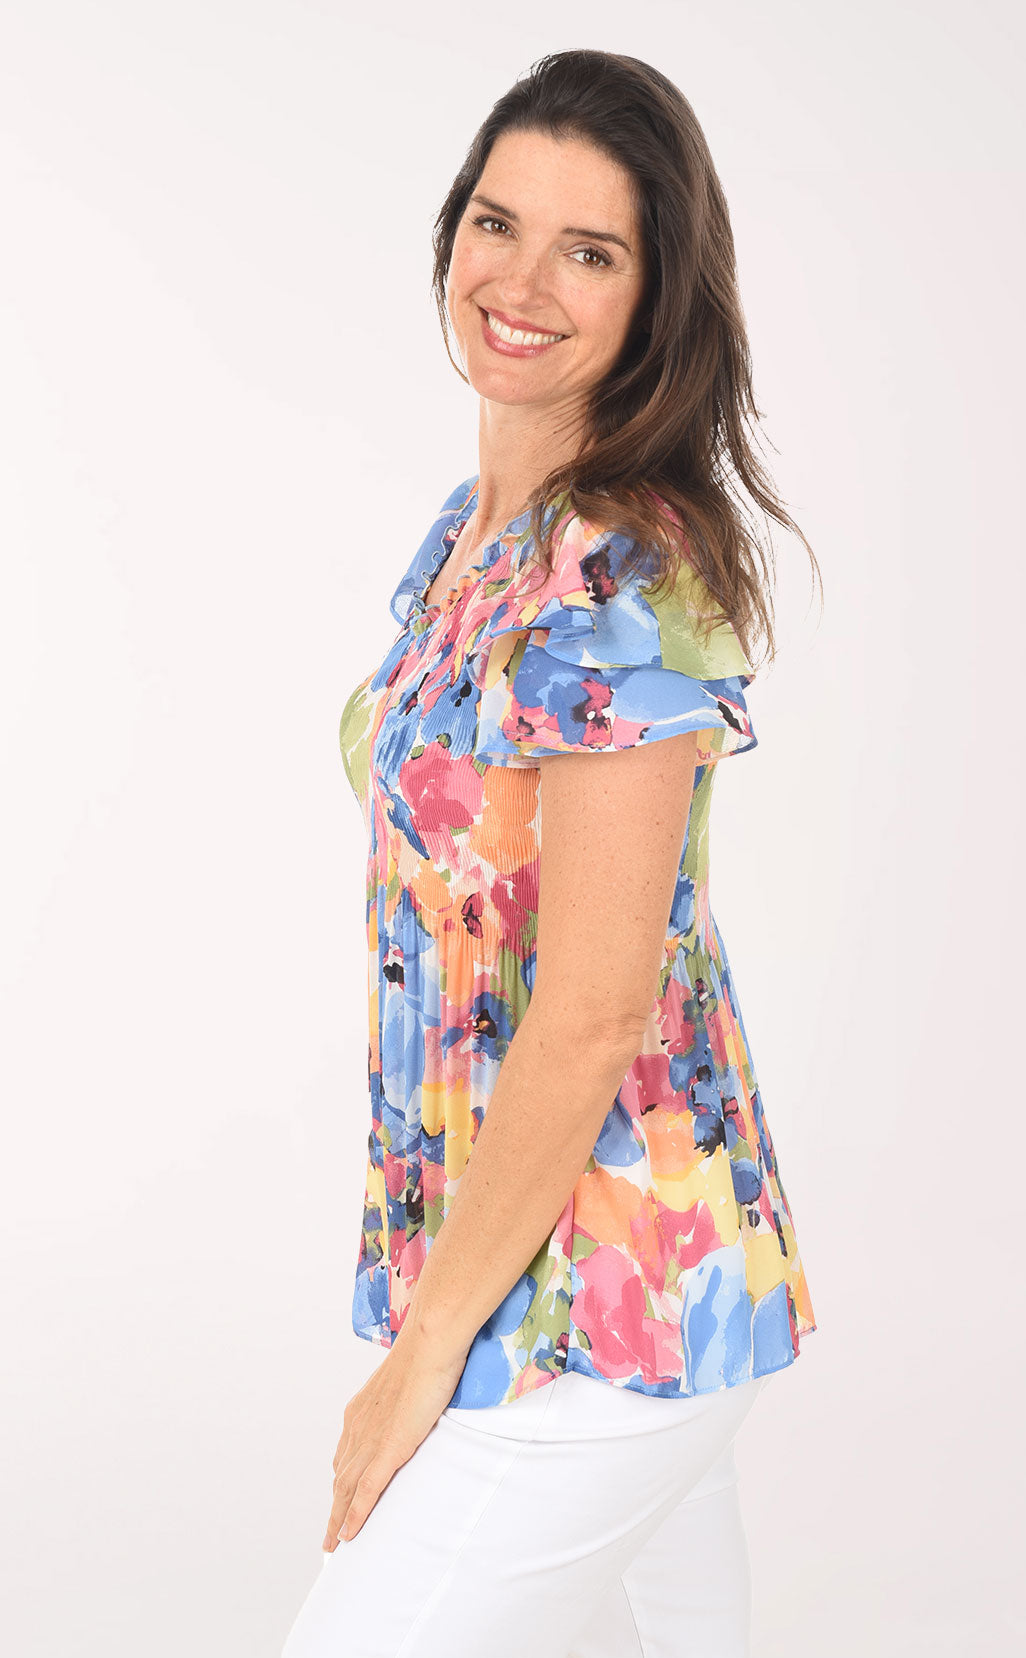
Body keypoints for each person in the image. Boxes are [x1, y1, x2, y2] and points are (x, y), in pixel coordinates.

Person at [282, 47, 821, 1658]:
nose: (519, 281)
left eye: (589, 251)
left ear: (655, 298)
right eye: (497, 224)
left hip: (613, 1290)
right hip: (547, 1260)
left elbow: (588, 1011)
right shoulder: (473, 537)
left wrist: (420, 1352)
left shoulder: (627, 570)